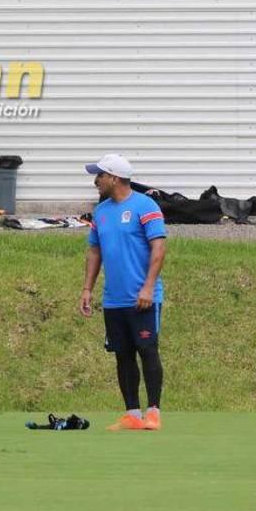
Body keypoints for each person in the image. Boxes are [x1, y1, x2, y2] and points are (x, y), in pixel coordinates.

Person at [78, 153, 168, 431]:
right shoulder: (101, 212)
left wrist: (149, 287)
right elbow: (95, 251)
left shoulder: (145, 205)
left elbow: (159, 247)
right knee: (123, 354)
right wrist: (87, 289)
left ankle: (153, 412)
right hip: (114, 299)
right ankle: (132, 414)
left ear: (114, 178)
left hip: (142, 296)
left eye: (100, 175)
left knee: (147, 350)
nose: (96, 181)